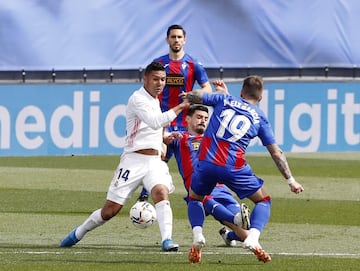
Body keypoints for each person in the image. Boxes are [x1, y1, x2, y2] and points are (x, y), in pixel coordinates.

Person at [59, 62, 190, 252]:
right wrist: (182, 106)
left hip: (154, 162)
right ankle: (78, 233)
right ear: (145, 79)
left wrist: (165, 137)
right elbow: (155, 122)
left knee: (161, 192)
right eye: (155, 79)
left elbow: (151, 130)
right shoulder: (138, 99)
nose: (160, 83)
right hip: (133, 161)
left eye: (163, 79)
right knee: (110, 211)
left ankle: (167, 240)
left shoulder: (154, 100)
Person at [184, 76, 304, 263]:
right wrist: (291, 180)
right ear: (261, 98)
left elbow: (198, 96)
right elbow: (276, 153)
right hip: (234, 167)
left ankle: (198, 235)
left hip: (206, 162)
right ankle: (253, 238)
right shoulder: (260, 117)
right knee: (263, 200)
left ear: (241, 92)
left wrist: (189, 95)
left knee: (195, 198)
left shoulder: (224, 99)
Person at [137, 24, 213, 202]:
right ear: (167, 40)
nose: (176, 40)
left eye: (179, 37)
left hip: (184, 123)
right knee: (158, 158)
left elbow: (207, 88)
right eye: (173, 37)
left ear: (184, 40)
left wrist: (194, 96)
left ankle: (199, 197)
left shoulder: (194, 64)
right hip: (162, 121)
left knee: (189, 163)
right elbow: (147, 88)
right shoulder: (159, 63)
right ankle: (143, 198)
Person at [163, 104, 251, 247]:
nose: (203, 120)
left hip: (220, 187)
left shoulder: (213, 138)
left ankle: (228, 235)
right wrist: (165, 136)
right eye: (198, 117)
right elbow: (159, 144)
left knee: (245, 234)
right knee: (209, 202)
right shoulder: (179, 138)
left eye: (205, 118)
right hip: (198, 188)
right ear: (187, 119)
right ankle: (228, 222)